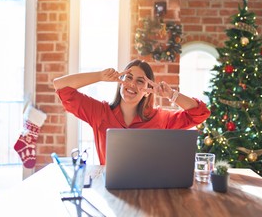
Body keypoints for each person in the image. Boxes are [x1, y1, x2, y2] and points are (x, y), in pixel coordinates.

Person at [53, 59, 210, 165]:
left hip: (149, 192)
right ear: (120, 83)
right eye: (128, 78)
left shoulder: (161, 118)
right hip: (111, 192)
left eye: (140, 81)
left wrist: (171, 94)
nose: (132, 84)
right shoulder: (99, 112)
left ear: (147, 91)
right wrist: (100, 76)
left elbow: (200, 113)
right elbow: (61, 86)